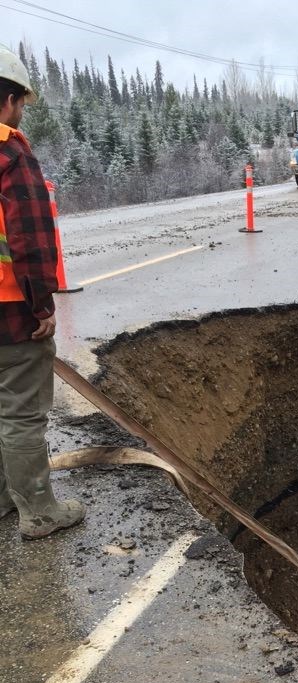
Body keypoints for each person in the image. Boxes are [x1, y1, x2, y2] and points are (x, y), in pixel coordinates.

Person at [1, 44, 85, 539]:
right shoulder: (9, 153)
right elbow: (30, 239)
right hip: (9, 312)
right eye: (21, 103)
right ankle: (37, 510)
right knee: (20, 413)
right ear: (9, 99)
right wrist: (42, 306)